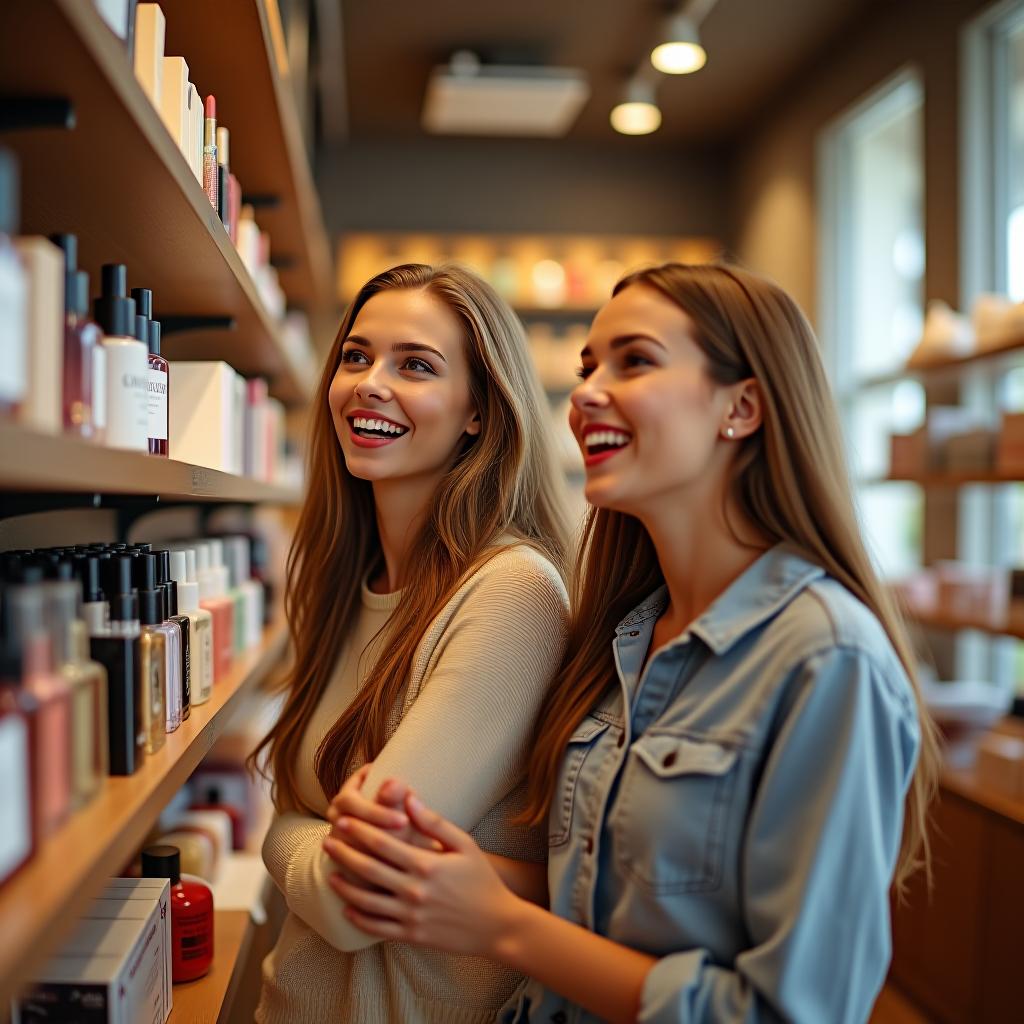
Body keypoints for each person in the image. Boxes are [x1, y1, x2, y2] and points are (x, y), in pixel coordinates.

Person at [321, 262, 940, 1024]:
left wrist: (504, 926)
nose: (584, 393)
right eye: (587, 367)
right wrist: (455, 876)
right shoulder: (624, 636)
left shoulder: (825, 661)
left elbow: (789, 1011)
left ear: (741, 407)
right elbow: (610, 897)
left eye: (634, 361)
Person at [252, 263, 572, 1024]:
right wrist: (316, 841)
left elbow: (347, 901)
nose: (369, 383)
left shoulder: (511, 594)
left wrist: (282, 834)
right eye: (356, 357)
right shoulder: (348, 585)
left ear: (477, 411)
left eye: (416, 366)